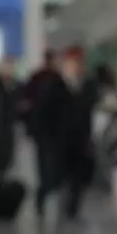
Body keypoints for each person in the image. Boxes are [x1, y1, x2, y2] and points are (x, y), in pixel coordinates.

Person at [36, 49, 96, 220]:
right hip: (58, 141)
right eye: (72, 63)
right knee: (53, 177)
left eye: (78, 63)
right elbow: (42, 115)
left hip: (79, 140)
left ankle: (72, 210)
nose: (76, 67)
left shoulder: (86, 86)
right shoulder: (53, 86)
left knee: (77, 177)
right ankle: (41, 202)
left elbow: (87, 114)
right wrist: (45, 139)